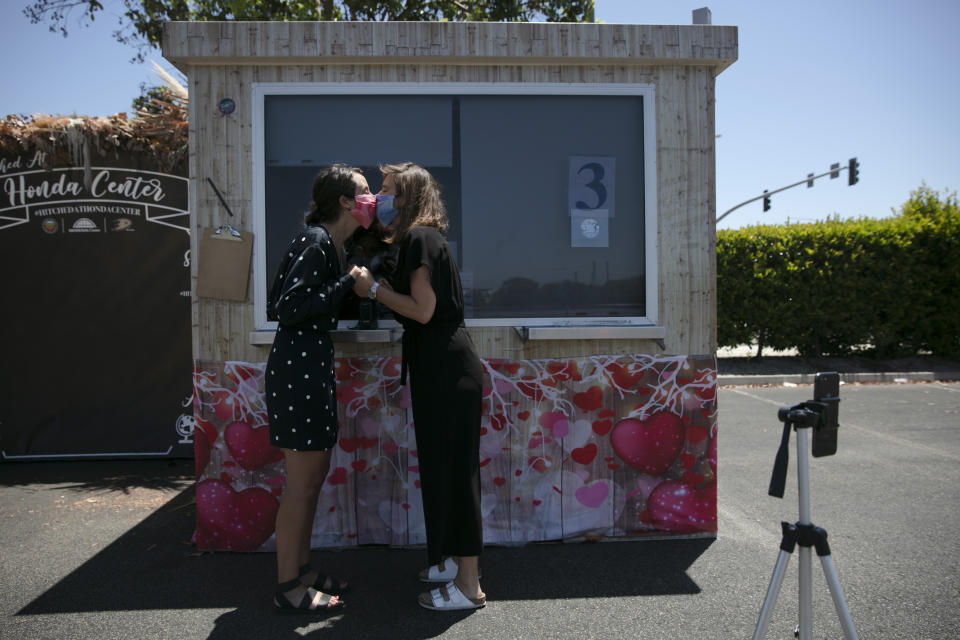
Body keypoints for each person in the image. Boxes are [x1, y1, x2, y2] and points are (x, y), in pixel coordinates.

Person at [352, 162, 486, 611]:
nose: (379, 198)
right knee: (442, 469)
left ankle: (469, 585)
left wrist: (373, 291)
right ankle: (450, 562)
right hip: (442, 368)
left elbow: (423, 310)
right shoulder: (418, 239)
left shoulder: (420, 238)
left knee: (454, 473)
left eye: (387, 190)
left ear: (407, 197)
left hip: (447, 371)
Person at [265, 163, 375, 613]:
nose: (372, 199)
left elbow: (284, 298)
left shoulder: (328, 244)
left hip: (306, 370)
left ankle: (304, 571)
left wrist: (346, 279)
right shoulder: (315, 242)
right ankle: (290, 587)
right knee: (301, 486)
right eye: (366, 192)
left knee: (311, 482)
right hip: (298, 373)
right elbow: (288, 308)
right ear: (346, 202)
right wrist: (351, 280)